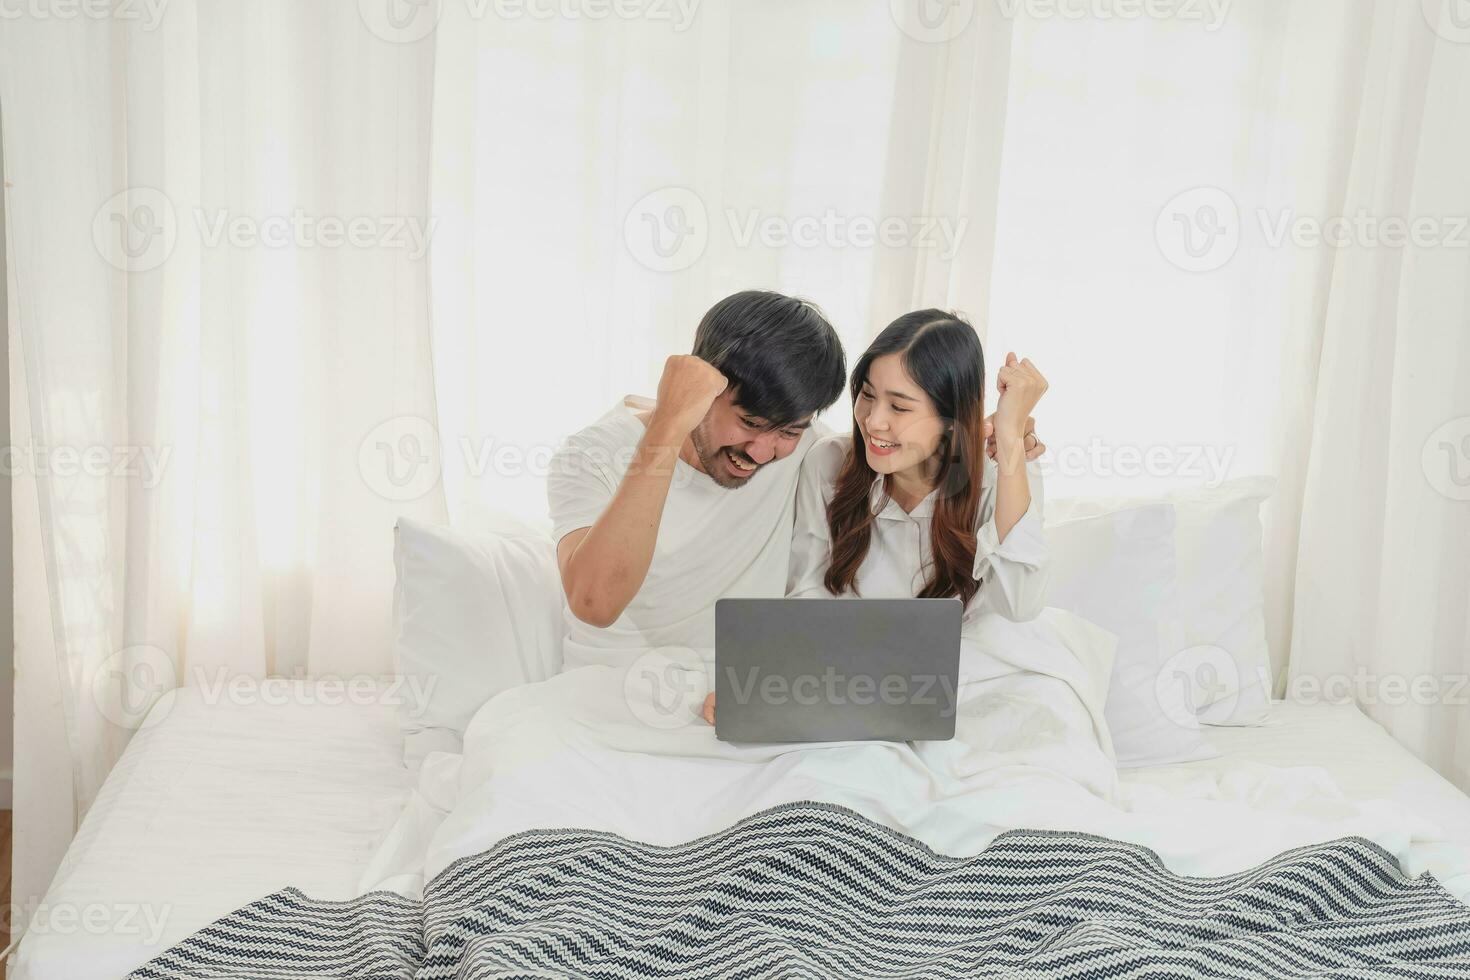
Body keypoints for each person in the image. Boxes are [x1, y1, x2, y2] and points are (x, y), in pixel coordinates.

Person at [547, 291, 1044, 672]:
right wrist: (667, 423)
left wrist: (1002, 441)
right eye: (748, 422)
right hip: (613, 686)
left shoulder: (810, 453)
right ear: (701, 386)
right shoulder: (591, 456)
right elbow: (595, 603)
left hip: (743, 687)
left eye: (788, 430)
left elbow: (911, 454)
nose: (761, 453)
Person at [701, 308, 1052, 725]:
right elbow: (809, 594)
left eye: (899, 408)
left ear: (950, 418)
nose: (873, 421)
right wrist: (774, 682)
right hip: (858, 680)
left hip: (978, 679)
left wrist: (1010, 433)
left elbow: (1020, 603)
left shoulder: (1004, 474)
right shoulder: (829, 464)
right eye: (867, 395)